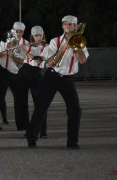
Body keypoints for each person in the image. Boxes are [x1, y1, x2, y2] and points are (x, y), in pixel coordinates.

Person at [26, 16, 88, 149]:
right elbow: (49, 62)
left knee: (75, 110)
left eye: (70, 25)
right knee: (41, 107)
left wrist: (75, 46)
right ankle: (31, 137)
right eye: (65, 24)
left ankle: (72, 142)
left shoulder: (79, 41)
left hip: (68, 79)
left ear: (75, 27)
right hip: (52, 76)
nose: (67, 27)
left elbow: (82, 60)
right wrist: (65, 46)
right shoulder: (55, 41)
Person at [0, 22, 29, 131]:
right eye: (16, 31)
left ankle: (22, 125)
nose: (18, 33)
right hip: (3, 71)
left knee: (20, 99)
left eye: (20, 31)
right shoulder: (4, 41)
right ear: (12, 30)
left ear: (23, 32)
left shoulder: (26, 44)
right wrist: (6, 52)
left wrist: (13, 56)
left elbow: (23, 61)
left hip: (17, 73)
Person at [16, 26, 49, 138]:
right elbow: (20, 60)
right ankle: (28, 129)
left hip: (36, 73)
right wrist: (11, 54)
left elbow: (38, 59)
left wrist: (24, 51)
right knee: (22, 102)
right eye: (35, 35)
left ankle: (42, 131)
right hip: (24, 72)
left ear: (43, 35)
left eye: (39, 35)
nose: (37, 37)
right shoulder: (27, 46)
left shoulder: (47, 47)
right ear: (32, 36)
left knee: (39, 104)